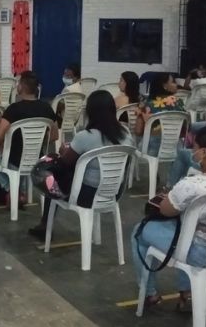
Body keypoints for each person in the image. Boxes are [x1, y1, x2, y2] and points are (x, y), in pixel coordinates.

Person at [132, 124, 206, 311]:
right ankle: (186, 294)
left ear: (203, 152)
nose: (190, 151)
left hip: (199, 253)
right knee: (188, 230)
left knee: (139, 231)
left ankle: (149, 293)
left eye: (193, 147)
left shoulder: (192, 185)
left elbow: (166, 210)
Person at [28, 90, 134, 240]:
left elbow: (64, 162)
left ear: (90, 111)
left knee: (52, 172)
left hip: (86, 195)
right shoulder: (125, 133)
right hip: (113, 192)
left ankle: (45, 224)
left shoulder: (86, 136)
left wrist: (64, 150)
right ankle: (45, 224)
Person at [0, 71, 58, 205]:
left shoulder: (13, 109)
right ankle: (18, 190)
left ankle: (12, 189)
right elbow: (54, 136)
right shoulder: (47, 109)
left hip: (14, 160)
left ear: (21, 87)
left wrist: (3, 146)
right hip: (37, 159)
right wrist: (38, 142)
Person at [135, 73, 186, 156]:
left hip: (151, 149)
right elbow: (187, 127)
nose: (176, 85)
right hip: (175, 147)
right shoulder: (178, 103)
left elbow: (138, 130)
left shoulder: (147, 105)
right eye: (173, 82)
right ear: (164, 85)